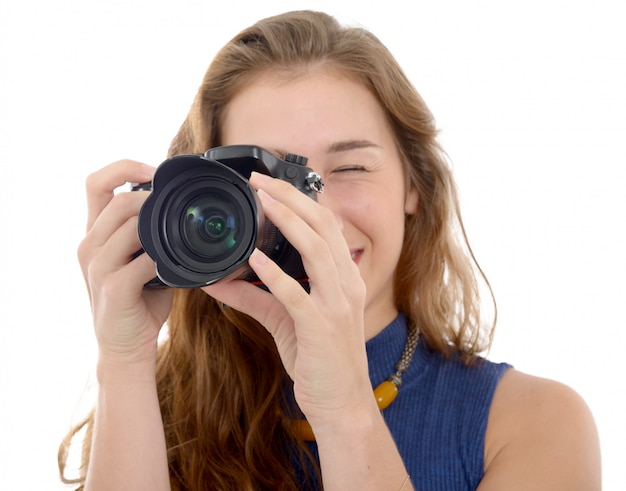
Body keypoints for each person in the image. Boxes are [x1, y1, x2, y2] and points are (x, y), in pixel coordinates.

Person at [58, 10, 601, 491]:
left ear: (414, 185)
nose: (312, 216)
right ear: (201, 197)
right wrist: (125, 363)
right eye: (261, 178)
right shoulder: (157, 412)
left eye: (349, 168)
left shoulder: (535, 424)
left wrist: (344, 405)